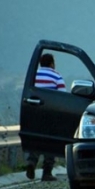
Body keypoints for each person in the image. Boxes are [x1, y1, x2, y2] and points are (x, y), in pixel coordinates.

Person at [26, 53, 66, 181]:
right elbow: (63, 97)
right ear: (52, 63)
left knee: (36, 139)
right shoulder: (56, 76)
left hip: (34, 111)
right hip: (50, 113)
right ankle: (46, 172)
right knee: (50, 142)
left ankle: (31, 162)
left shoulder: (33, 75)